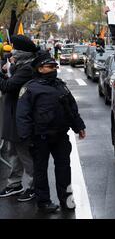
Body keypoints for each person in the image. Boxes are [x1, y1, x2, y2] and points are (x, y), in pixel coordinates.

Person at [16, 51, 86, 213]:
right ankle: (44, 202)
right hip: (39, 138)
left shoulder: (60, 85)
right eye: (50, 66)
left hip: (60, 136)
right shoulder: (29, 89)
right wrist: (27, 138)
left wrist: (79, 126)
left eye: (55, 66)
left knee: (64, 169)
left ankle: (67, 200)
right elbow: (22, 116)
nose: (54, 68)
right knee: (40, 171)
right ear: (40, 69)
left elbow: (71, 108)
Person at [0, 35, 39, 202]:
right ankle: (15, 183)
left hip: (20, 118)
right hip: (12, 116)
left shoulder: (27, 69)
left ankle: (34, 186)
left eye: (15, 49)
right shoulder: (19, 66)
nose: (12, 51)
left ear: (22, 52)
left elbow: (8, 86)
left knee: (24, 154)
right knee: (12, 152)